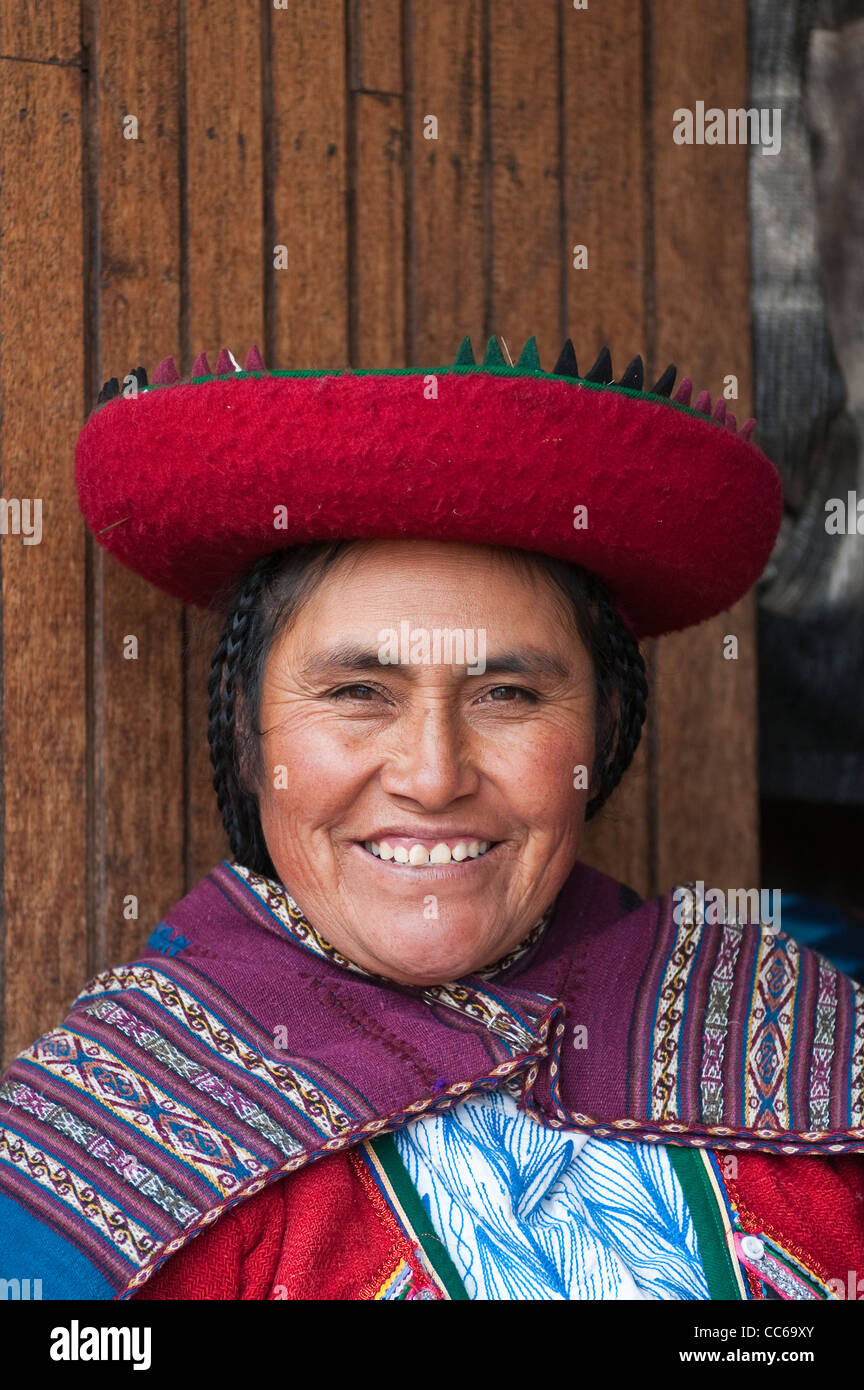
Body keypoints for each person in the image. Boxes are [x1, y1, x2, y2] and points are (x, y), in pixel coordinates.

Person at [1, 336, 862, 1301]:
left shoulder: (793, 1033)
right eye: (359, 691)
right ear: (248, 737)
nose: (433, 774)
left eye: (506, 696)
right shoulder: (113, 1127)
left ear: (603, 734)